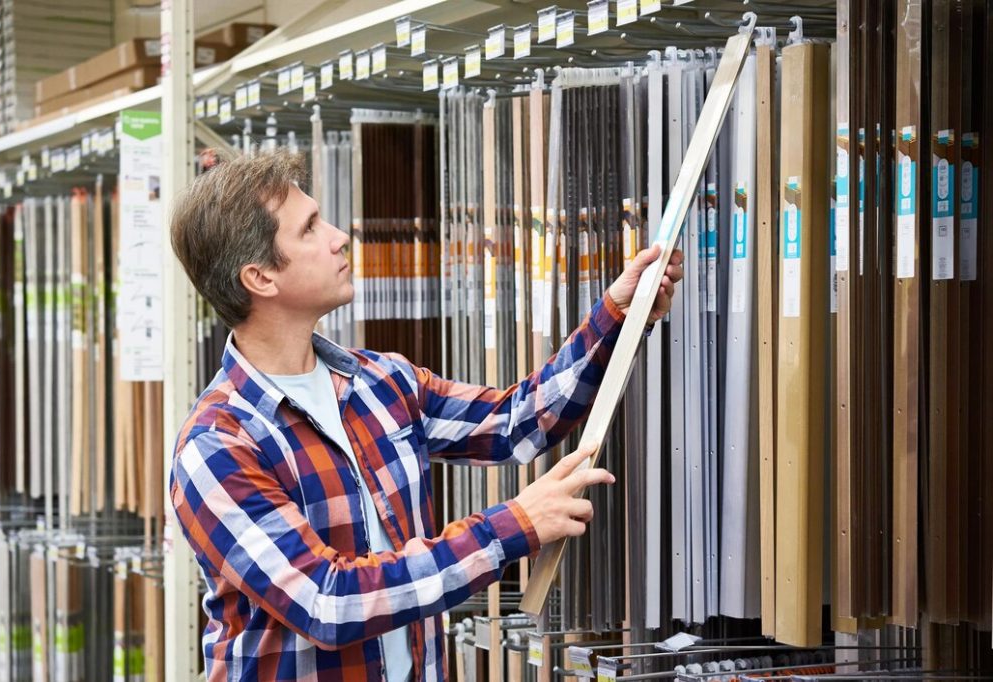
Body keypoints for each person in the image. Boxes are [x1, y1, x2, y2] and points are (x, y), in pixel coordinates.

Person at [168, 150, 684, 681]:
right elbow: (327, 601)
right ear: (260, 277)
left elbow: (517, 421)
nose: (339, 237)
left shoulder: (381, 383)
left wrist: (616, 317)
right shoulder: (217, 445)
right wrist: (513, 526)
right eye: (310, 228)